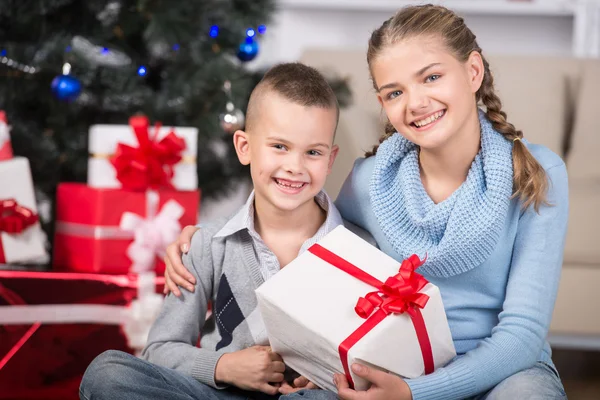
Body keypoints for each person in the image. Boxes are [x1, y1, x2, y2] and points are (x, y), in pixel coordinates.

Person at [162, 5, 569, 400]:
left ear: (473, 71)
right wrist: (200, 240)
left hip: (500, 374)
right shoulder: (370, 181)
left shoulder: (535, 174)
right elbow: (312, 234)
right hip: (397, 371)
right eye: (394, 92)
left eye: (431, 77)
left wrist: (414, 394)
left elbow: (522, 335)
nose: (416, 103)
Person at [79, 62, 345, 400]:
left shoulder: (355, 248)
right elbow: (160, 350)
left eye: (313, 152)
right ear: (244, 147)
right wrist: (224, 366)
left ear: (331, 159)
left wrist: (330, 376)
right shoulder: (206, 244)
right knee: (108, 373)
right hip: (219, 395)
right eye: (279, 146)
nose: (294, 165)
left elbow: (370, 358)